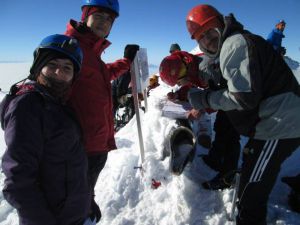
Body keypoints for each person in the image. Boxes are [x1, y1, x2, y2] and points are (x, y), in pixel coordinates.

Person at [186, 4, 300, 225]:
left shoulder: (234, 43)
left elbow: (243, 97)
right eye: (201, 37)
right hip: (276, 121)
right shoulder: (234, 43)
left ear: (221, 24)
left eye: (210, 31)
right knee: (250, 176)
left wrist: (204, 99)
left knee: (250, 195)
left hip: (279, 125)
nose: (207, 39)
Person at [0, 34, 91, 225]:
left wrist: (87, 201)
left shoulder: (57, 103)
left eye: (67, 68)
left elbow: (70, 164)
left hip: (73, 213)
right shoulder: (28, 107)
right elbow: (18, 181)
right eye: (52, 65)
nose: (59, 72)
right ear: (38, 66)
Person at [64, 0, 140, 222]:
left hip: (95, 144)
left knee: (85, 192)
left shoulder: (90, 50)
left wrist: (126, 62)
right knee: (73, 203)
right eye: (99, 15)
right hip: (80, 149)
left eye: (110, 19)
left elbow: (100, 75)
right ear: (85, 15)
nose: (104, 22)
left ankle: (87, 202)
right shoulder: (71, 48)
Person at [159, 50, 241, 190]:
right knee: (220, 128)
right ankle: (214, 159)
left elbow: (222, 97)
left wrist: (201, 108)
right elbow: (192, 85)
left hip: (237, 103)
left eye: (178, 80)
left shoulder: (208, 70)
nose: (179, 83)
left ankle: (227, 177)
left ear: (183, 70)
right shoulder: (192, 67)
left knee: (231, 136)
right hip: (225, 103)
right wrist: (178, 94)